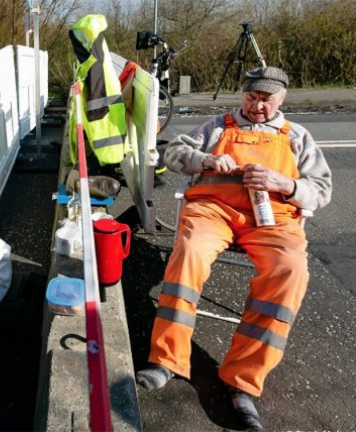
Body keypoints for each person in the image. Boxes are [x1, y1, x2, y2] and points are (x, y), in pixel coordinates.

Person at [136, 67, 332, 430]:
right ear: (243, 95)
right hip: (213, 210)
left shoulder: (297, 136)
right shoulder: (216, 126)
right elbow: (173, 154)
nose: (257, 106)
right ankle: (167, 358)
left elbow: (321, 189)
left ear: (281, 99)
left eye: (265, 99)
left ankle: (242, 380)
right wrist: (206, 161)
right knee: (189, 252)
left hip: (272, 217)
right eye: (251, 97)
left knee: (290, 271)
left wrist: (285, 184)